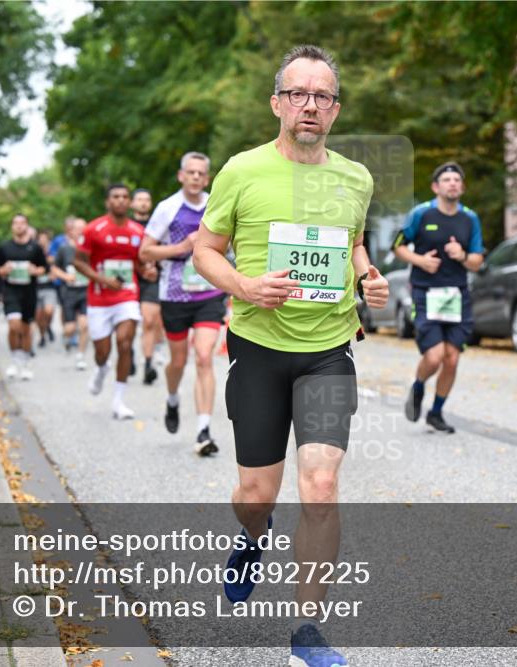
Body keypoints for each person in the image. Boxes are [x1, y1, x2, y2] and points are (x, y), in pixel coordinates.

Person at [193, 44, 388, 666]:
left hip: (328, 351)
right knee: (255, 495)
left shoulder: (356, 177)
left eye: (323, 96)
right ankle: (253, 539)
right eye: (298, 94)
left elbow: (352, 243)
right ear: (277, 103)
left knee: (323, 485)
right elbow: (205, 250)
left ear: (335, 110)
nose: (311, 105)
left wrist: (368, 276)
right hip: (258, 347)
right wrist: (246, 286)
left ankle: (308, 631)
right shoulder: (241, 171)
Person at [140, 152, 223, 456]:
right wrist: (181, 248)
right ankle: (172, 398)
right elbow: (145, 252)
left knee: (204, 356)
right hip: (174, 296)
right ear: (181, 176)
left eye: (201, 173)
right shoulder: (167, 208)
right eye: (191, 172)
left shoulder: (217, 204)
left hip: (209, 294)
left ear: (208, 177)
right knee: (178, 362)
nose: (196, 178)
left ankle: (203, 430)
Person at [392, 161, 485, 433]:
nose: (453, 183)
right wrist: (420, 260)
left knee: (452, 358)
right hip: (425, 293)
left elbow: (478, 261)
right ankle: (419, 387)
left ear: (462, 187)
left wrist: (463, 256)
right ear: (436, 187)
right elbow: (397, 246)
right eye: (447, 180)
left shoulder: (470, 218)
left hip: (457, 295)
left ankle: (436, 412)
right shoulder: (421, 214)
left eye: (457, 180)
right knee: (434, 356)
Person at [74, 184, 150, 420]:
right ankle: (101, 368)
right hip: (99, 299)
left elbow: (140, 264)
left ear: (129, 202)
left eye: (125, 197)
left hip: (127, 296)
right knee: (102, 352)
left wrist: (147, 271)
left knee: (125, 343)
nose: (120, 201)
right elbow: (78, 261)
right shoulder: (93, 229)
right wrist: (102, 279)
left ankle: (118, 401)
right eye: (115, 197)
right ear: (108, 201)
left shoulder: (138, 232)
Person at [0, 214, 49, 380]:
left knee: (26, 329)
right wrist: (3, 270)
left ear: (27, 226)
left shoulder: (35, 247)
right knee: (14, 326)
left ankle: (25, 362)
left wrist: (35, 271)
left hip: (29, 293)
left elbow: (45, 268)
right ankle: (14, 360)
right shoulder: (4, 247)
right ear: (12, 227)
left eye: (22, 223)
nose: (19, 226)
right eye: (15, 223)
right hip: (11, 292)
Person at [131, 189, 165, 384]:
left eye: (147, 200)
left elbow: (164, 250)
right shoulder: (126, 225)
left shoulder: (158, 225)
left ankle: (148, 364)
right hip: (129, 279)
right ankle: (129, 353)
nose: (143, 203)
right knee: (128, 324)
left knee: (150, 321)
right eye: (140, 199)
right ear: (132, 204)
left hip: (152, 279)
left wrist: (156, 267)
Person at [51, 217, 90, 370]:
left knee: (84, 325)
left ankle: (80, 356)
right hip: (69, 292)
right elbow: (54, 269)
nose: (81, 231)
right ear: (71, 231)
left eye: (83, 229)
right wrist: (66, 277)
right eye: (77, 229)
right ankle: (67, 338)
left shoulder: (91, 248)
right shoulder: (64, 249)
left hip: (86, 291)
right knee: (70, 328)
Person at [34, 229, 58, 348]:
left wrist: (53, 274)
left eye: (45, 239)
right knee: (38, 315)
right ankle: (42, 336)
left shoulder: (53, 255)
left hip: (49, 287)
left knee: (48, 311)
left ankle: (47, 326)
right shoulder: (33, 253)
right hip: (36, 288)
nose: (42, 242)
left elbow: (56, 269)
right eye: (40, 239)